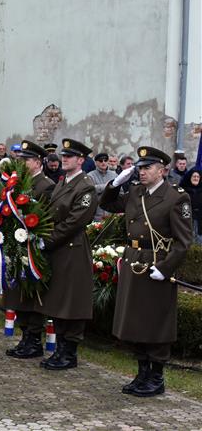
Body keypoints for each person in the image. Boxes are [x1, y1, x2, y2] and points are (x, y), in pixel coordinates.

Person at [100, 147, 193, 396]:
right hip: (133, 261)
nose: (141, 172)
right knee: (136, 320)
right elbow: (107, 204)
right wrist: (114, 183)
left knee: (156, 321)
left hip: (156, 264)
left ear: (162, 170)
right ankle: (142, 373)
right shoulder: (135, 192)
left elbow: (184, 242)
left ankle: (157, 377)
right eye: (139, 168)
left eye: (147, 168)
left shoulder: (176, 197)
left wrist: (164, 268)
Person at [36, 138, 97, 370]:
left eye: (69, 156)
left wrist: (47, 240)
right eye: (63, 155)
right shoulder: (62, 182)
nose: (64, 159)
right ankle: (61, 349)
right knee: (60, 300)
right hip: (59, 249)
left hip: (72, 249)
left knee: (71, 302)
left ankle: (69, 352)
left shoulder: (86, 186)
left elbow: (74, 222)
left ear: (81, 160)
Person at [4, 141, 55, 359]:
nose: (22, 164)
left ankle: (34, 339)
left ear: (37, 162)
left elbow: (45, 218)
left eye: (26, 160)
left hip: (34, 247)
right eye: (20, 160)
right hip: (17, 246)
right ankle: (25, 336)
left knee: (32, 292)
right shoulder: (19, 184)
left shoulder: (46, 185)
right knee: (19, 293)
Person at [87, 152, 117, 221]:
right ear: (96, 163)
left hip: (112, 212)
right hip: (97, 213)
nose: (103, 162)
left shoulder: (114, 175)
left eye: (105, 160)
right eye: (100, 161)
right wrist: (105, 186)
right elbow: (89, 190)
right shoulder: (90, 175)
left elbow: (120, 192)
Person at [180, 168, 202, 243]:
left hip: (200, 222)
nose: (196, 178)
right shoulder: (182, 190)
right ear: (190, 177)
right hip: (187, 221)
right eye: (194, 176)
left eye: (198, 177)